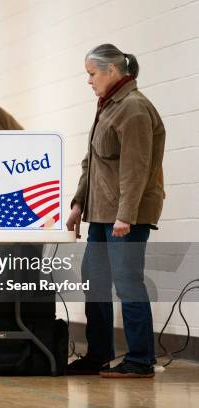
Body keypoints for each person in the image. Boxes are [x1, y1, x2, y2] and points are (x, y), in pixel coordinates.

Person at [66, 44, 165, 378]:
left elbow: (136, 169)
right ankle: (98, 355)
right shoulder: (108, 107)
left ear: (111, 71)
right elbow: (91, 163)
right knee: (94, 280)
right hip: (101, 212)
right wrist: (79, 203)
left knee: (127, 283)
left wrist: (126, 214)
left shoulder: (134, 109)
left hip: (126, 215)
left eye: (92, 74)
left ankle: (140, 360)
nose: (89, 81)